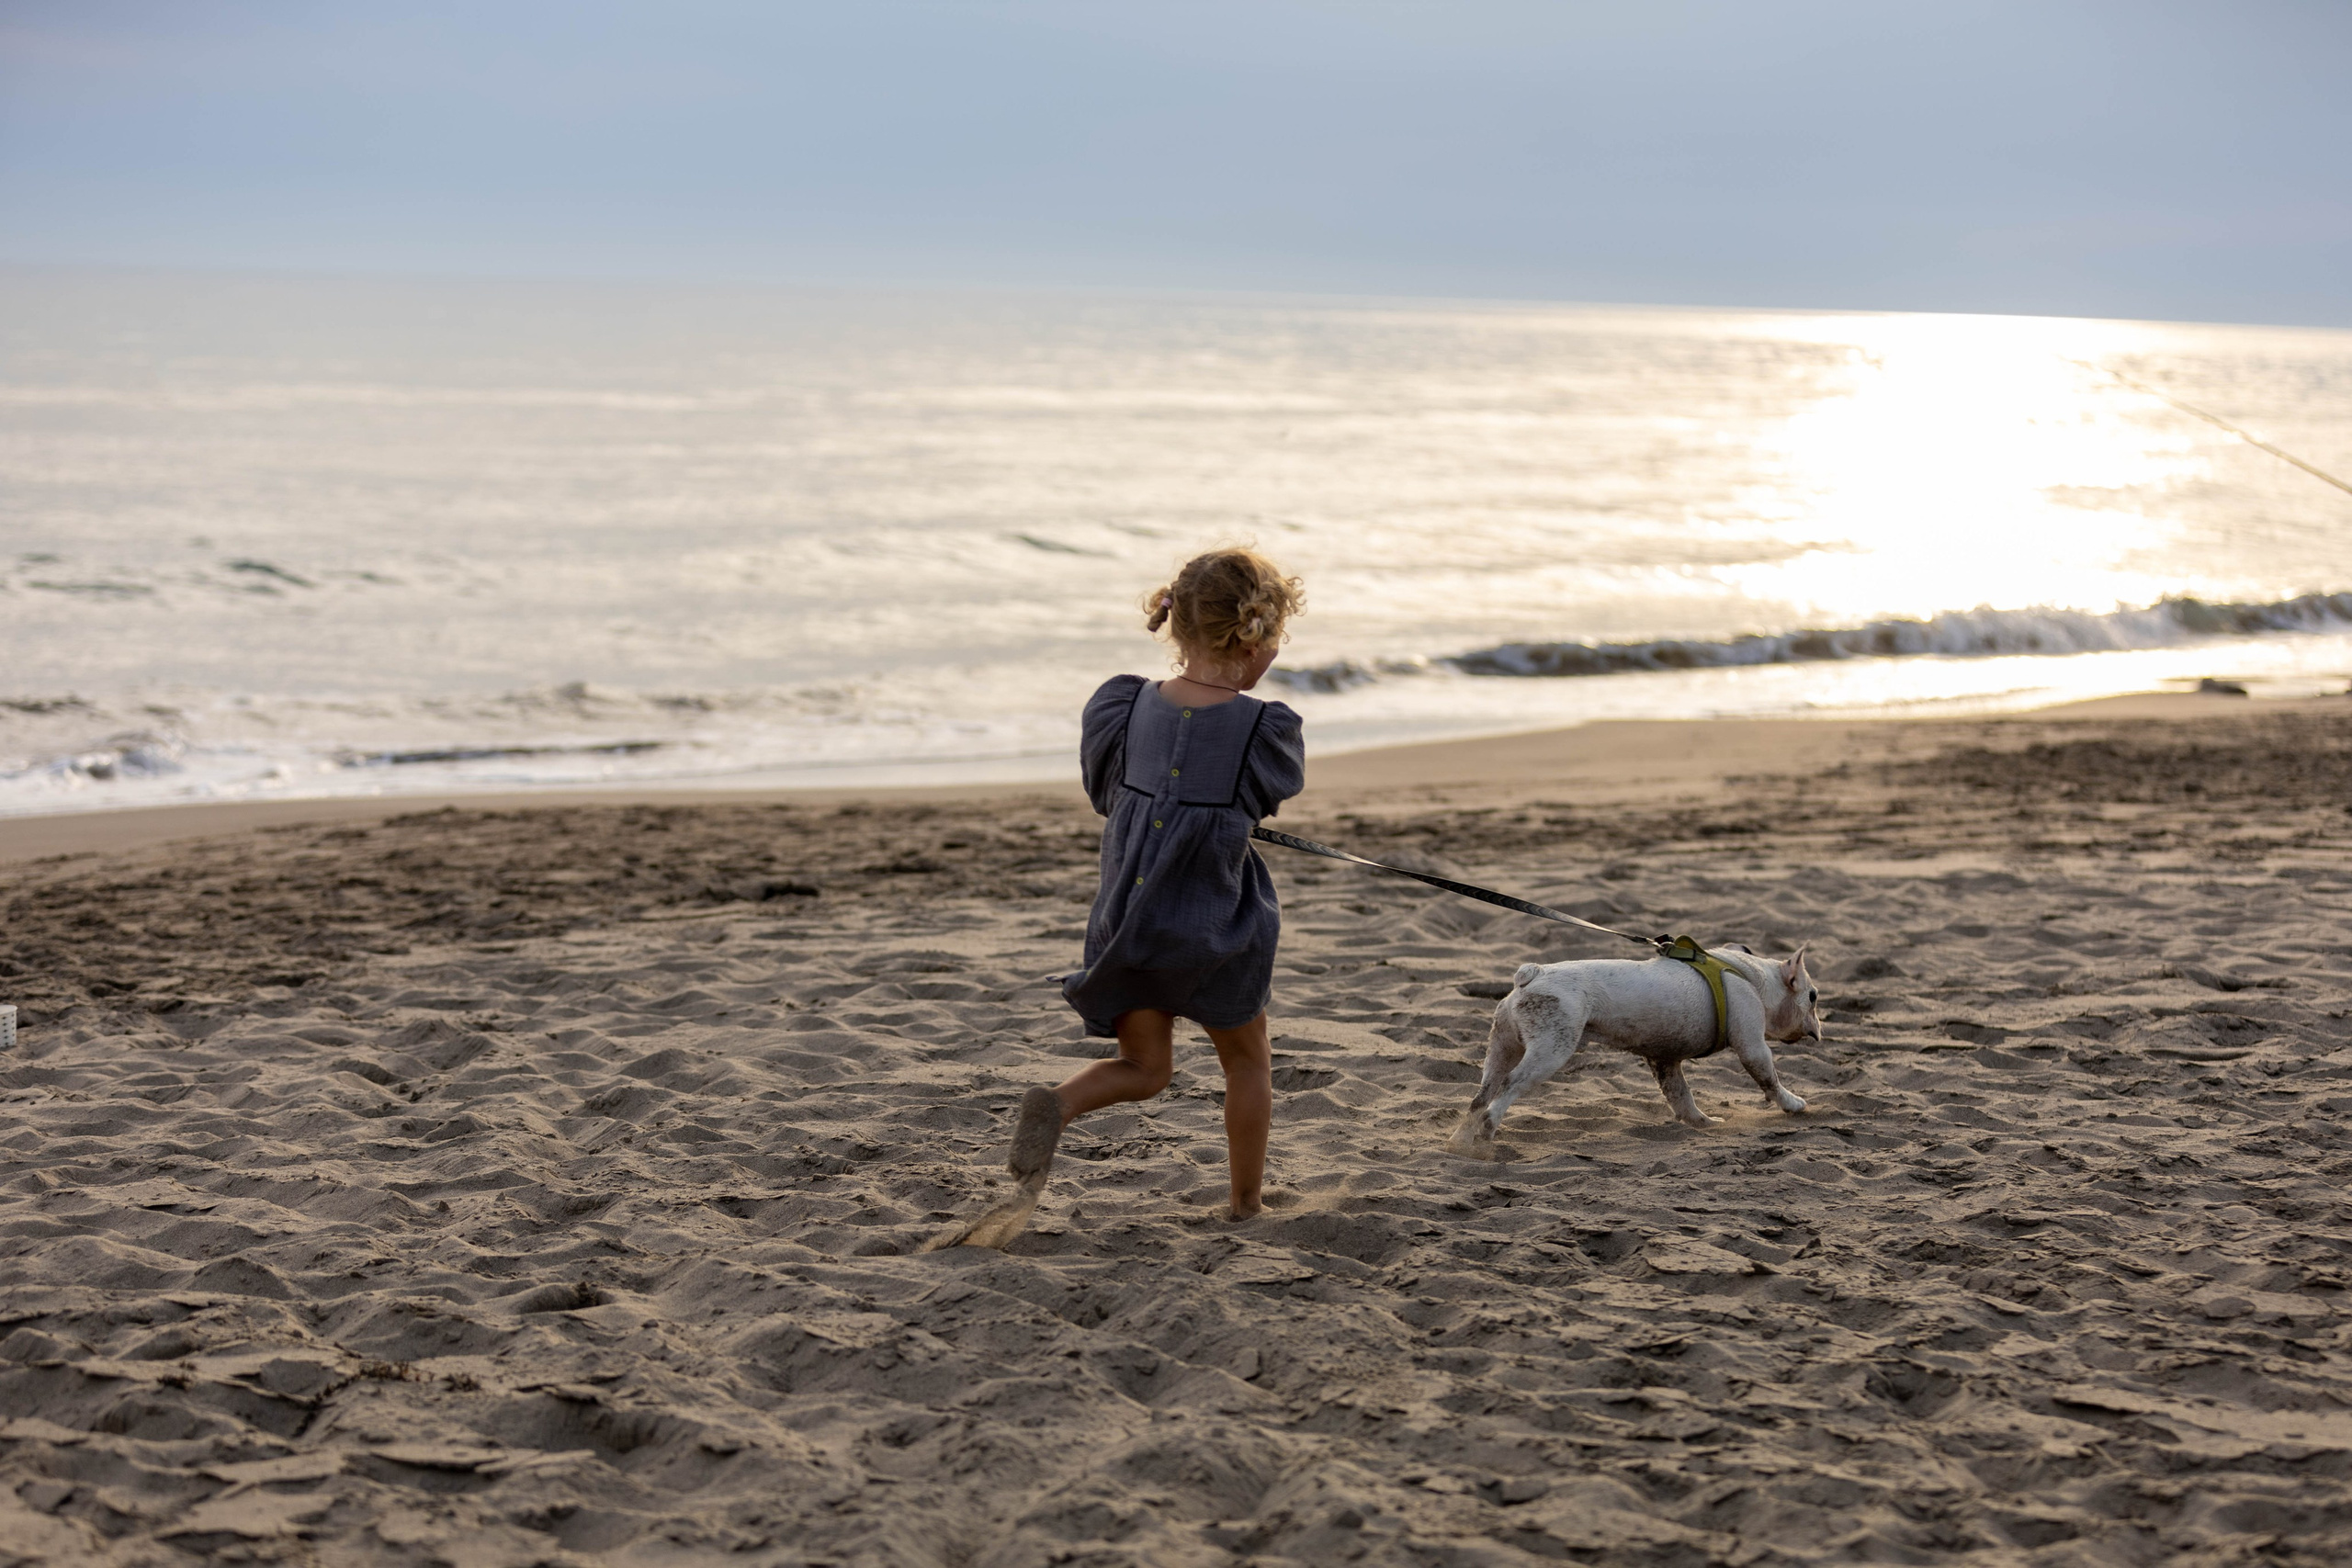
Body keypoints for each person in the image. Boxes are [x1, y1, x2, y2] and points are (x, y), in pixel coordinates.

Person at [1015, 547, 1308, 1226]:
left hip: (1131, 925)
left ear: (1176, 628)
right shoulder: (1263, 727)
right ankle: (1244, 1204)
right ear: (1256, 638)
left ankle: (1056, 1105)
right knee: (1246, 1064)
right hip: (1215, 930)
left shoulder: (1123, 706)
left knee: (1145, 1069)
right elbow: (1265, 796)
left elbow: (1106, 793)